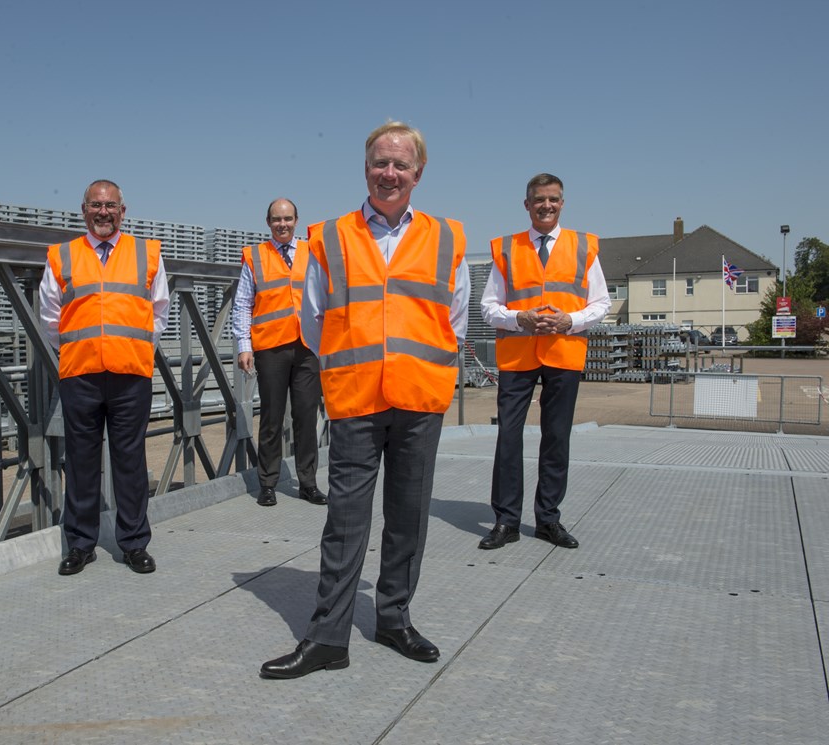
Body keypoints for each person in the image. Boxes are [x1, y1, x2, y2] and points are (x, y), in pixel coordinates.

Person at [260, 122, 470, 679]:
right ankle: (329, 637)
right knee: (346, 520)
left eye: (402, 164)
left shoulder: (447, 237)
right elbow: (311, 321)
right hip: (355, 398)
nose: (390, 173)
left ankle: (394, 618)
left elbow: (455, 319)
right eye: (381, 162)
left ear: (418, 174)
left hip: (419, 399)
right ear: (366, 168)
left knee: (408, 515)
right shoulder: (328, 237)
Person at [38, 179, 170, 575]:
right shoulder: (63, 255)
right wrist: (78, 350)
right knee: (80, 460)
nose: (103, 212)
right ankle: (81, 544)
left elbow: (159, 311)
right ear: (83, 210)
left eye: (111, 206)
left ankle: (133, 543)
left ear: (122, 211)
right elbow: (50, 316)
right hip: (81, 373)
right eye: (96, 205)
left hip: (131, 372)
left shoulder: (146, 252)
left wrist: (137, 348)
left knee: (130, 460)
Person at [478, 173, 610, 551]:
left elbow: (601, 303)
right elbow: (489, 307)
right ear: (527, 204)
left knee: (556, 438)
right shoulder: (507, 248)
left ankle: (548, 519)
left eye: (553, 199)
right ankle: (506, 521)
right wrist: (519, 318)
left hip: (564, 352)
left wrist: (571, 320)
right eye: (539, 200)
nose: (546, 206)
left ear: (562, 203)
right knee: (508, 438)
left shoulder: (584, 247)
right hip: (517, 355)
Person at [232, 198, 326, 508]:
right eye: (276, 219)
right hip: (270, 347)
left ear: (297, 220)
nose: (282, 224)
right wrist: (244, 346)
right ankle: (268, 483)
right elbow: (244, 303)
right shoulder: (255, 256)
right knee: (271, 417)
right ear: (268, 222)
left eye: (287, 218)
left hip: (308, 346)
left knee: (305, 415)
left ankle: (308, 483)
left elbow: (326, 295)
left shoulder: (313, 251)